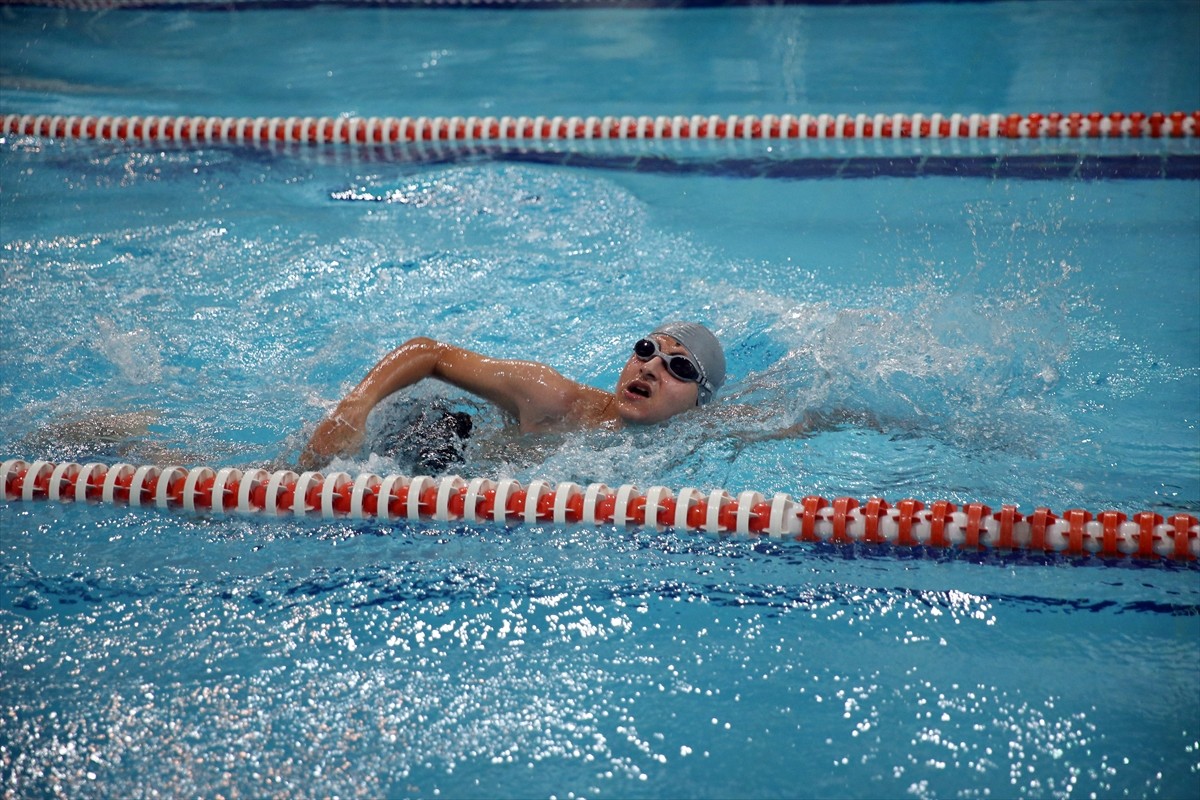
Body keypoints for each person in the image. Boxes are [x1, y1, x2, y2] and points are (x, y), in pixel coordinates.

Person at [299, 321, 726, 469]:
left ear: (698, 402)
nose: (651, 366)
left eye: (680, 367)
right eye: (646, 350)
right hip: (439, 454)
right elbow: (430, 353)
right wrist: (352, 411)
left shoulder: (701, 430)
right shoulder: (553, 399)